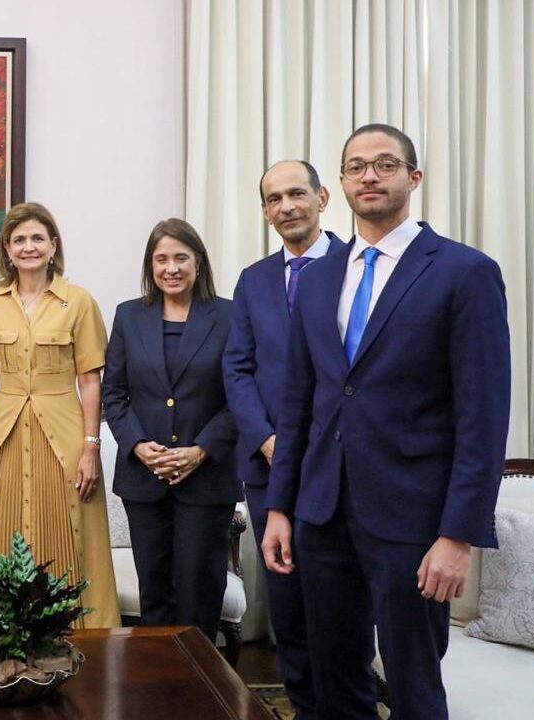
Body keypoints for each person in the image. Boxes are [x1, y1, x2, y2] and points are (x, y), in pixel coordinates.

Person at [262, 124, 510, 719]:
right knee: (334, 679)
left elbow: (483, 417)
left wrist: (458, 535)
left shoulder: (464, 272)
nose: (369, 176)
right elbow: (299, 405)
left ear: (413, 178)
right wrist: (279, 507)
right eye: (356, 167)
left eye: (385, 164)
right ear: (340, 185)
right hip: (321, 515)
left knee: (414, 685)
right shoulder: (319, 275)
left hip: (413, 521)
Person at [222, 160, 345, 718]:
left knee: (341, 596)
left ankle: (346, 703)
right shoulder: (254, 280)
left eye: (297, 194)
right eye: (274, 199)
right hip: (269, 463)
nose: (287, 206)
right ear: (266, 211)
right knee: (287, 597)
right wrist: (268, 438)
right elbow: (238, 369)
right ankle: (304, 705)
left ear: (322, 197)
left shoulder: (357, 268)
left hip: (340, 464)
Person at [0, 202, 120, 628]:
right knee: (0, 530)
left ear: (53, 246)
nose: (28, 247)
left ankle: (77, 635)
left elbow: (90, 380)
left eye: (36, 238)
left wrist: (90, 447)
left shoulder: (79, 302)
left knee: (71, 531)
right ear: (7, 251)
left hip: (65, 432)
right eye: (19, 240)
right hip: (3, 433)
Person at [102, 218, 240, 642]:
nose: (171, 268)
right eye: (161, 259)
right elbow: (115, 393)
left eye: (181, 257)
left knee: (200, 591)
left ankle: (200, 690)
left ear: (198, 261)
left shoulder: (230, 315)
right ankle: (157, 688)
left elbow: (241, 396)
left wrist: (200, 451)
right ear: (150, 266)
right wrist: (140, 446)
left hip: (207, 477)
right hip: (145, 479)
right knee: (155, 593)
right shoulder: (129, 315)